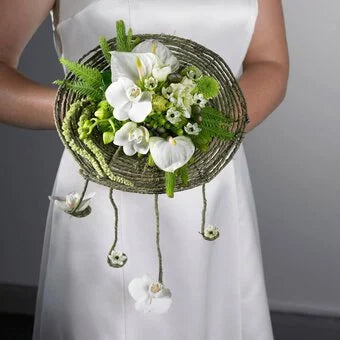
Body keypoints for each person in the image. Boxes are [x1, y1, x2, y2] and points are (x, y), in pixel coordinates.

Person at [0, 0, 289, 339]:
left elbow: (269, 63)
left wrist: (205, 126)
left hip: (213, 190)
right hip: (106, 185)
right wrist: (91, 111)